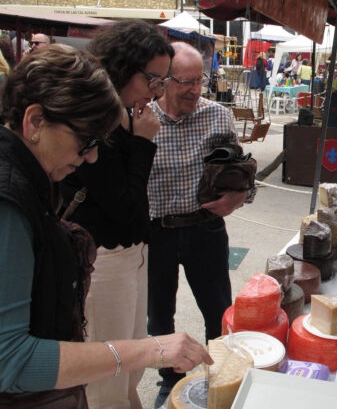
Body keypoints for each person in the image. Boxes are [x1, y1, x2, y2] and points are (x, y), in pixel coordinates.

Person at [0, 44, 211, 408]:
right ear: (35, 122)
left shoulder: (29, 174)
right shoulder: (8, 201)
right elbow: (11, 360)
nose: (92, 156)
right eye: (88, 141)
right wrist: (148, 349)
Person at [59, 20, 175, 409]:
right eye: (152, 79)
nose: (157, 91)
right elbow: (126, 206)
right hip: (103, 258)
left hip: (132, 253)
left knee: (131, 364)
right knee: (107, 369)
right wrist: (143, 143)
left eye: (163, 81)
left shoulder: (127, 110)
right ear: (124, 68)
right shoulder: (95, 116)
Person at [146, 42, 256, 407]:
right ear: (163, 81)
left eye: (200, 81)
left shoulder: (218, 116)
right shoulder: (142, 119)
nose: (195, 90)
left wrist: (239, 196)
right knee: (159, 314)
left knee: (218, 309)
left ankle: (220, 374)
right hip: (155, 232)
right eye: (185, 82)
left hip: (205, 230)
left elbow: (241, 174)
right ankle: (169, 378)